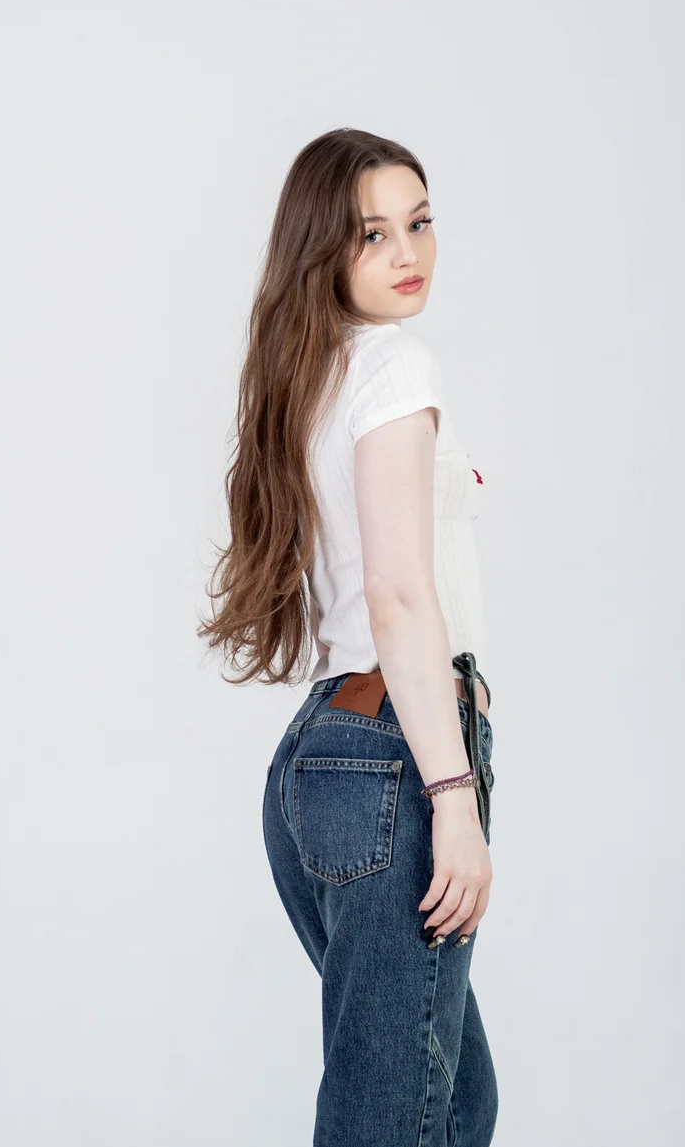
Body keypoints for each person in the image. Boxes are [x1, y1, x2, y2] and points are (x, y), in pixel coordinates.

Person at [197, 127, 499, 1145]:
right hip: (394, 763)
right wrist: (453, 795)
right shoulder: (394, 367)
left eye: (420, 222)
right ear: (322, 247)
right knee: (392, 1121)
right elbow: (398, 597)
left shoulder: (313, 380)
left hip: (322, 762)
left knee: (455, 1103)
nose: (408, 253)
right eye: (373, 234)